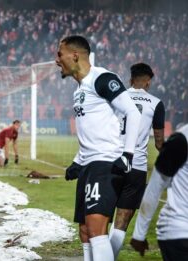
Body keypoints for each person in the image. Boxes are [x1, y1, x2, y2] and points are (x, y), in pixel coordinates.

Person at [57, 35, 141, 261]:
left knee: (96, 230)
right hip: (88, 164)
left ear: (74, 55)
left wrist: (127, 155)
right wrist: (77, 160)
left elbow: (132, 112)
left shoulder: (102, 78)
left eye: (59, 54)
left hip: (105, 164)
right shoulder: (79, 90)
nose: (57, 60)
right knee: (84, 232)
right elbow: (92, 131)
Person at [108, 63, 165, 259]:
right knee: (122, 221)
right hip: (136, 167)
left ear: (130, 79)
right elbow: (159, 143)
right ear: (148, 82)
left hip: (111, 161)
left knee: (102, 216)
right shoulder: (155, 103)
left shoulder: (116, 97)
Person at [130, 124, 188, 260]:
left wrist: (139, 235)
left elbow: (154, 188)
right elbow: (155, 188)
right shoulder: (181, 140)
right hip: (180, 233)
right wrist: (139, 234)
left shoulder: (182, 138)